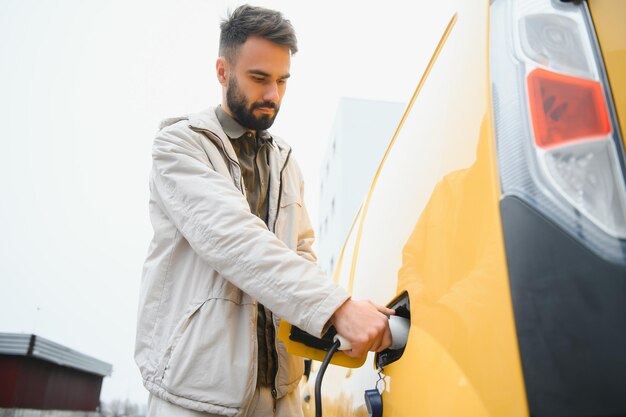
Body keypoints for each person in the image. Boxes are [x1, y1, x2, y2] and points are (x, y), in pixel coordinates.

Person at [135, 5, 393, 417]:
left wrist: (335, 326)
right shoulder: (178, 146)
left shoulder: (286, 160)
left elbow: (303, 255)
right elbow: (234, 238)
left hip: (282, 394)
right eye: (259, 78)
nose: (273, 94)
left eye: (282, 80)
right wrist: (338, 308)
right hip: (196, 394)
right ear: (222, 71)